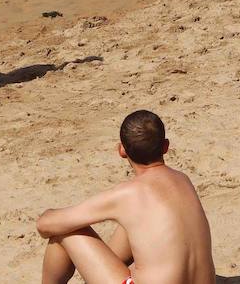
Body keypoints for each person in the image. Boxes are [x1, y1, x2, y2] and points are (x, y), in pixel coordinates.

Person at [37, 110, 215, 284]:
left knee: (64, 232)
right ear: (165, 146)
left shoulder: (128, 194)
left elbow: (45, 226)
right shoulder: (183, 180)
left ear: (122, 150)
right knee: (134, 224)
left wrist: (49, 213)